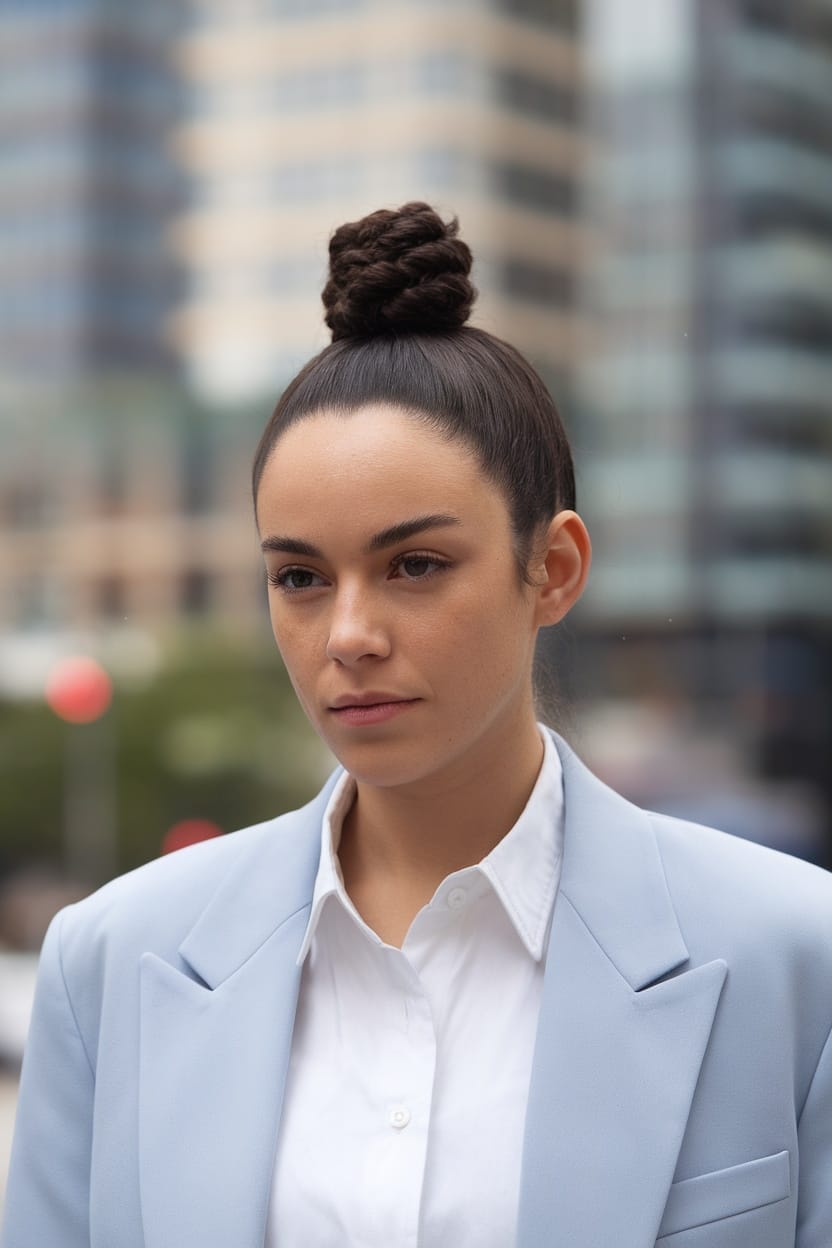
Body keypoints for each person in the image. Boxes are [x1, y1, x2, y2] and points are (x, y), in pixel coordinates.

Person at [2, 202, 831, 1248]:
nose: (347, 633)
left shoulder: (798, 959)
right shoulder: (109, 963)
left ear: (554, 569)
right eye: (299, 576)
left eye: (415, 565)